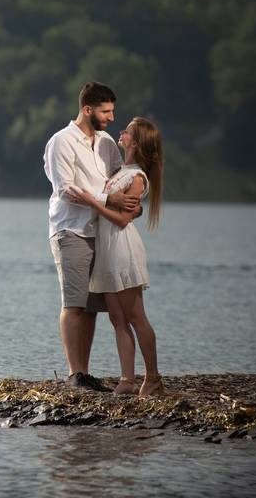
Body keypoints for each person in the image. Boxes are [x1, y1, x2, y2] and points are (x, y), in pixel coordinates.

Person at [44, 82, 140, 391]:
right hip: (70, 229)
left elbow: (117, 181)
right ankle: (76, 375)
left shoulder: (107, 142)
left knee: (91, 305)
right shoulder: (61, 141)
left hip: (102, 231)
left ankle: (84, 373)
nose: (111, 117)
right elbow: (65, 189)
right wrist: (109, 200)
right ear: (88, 109)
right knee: (74, 302)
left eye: (112, 111)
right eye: (106, 111)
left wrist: (131, 203)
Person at [69, 117, 164, 397]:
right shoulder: (121, 171)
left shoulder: (136, 177)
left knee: (136, 316)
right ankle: (127, 379)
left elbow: (122, 220)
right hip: (107, 249)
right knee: (117, 319)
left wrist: (91, 201)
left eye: (127, 132)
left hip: (122, 247)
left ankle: (154, 377)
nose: (121, 133)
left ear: (134, 142)